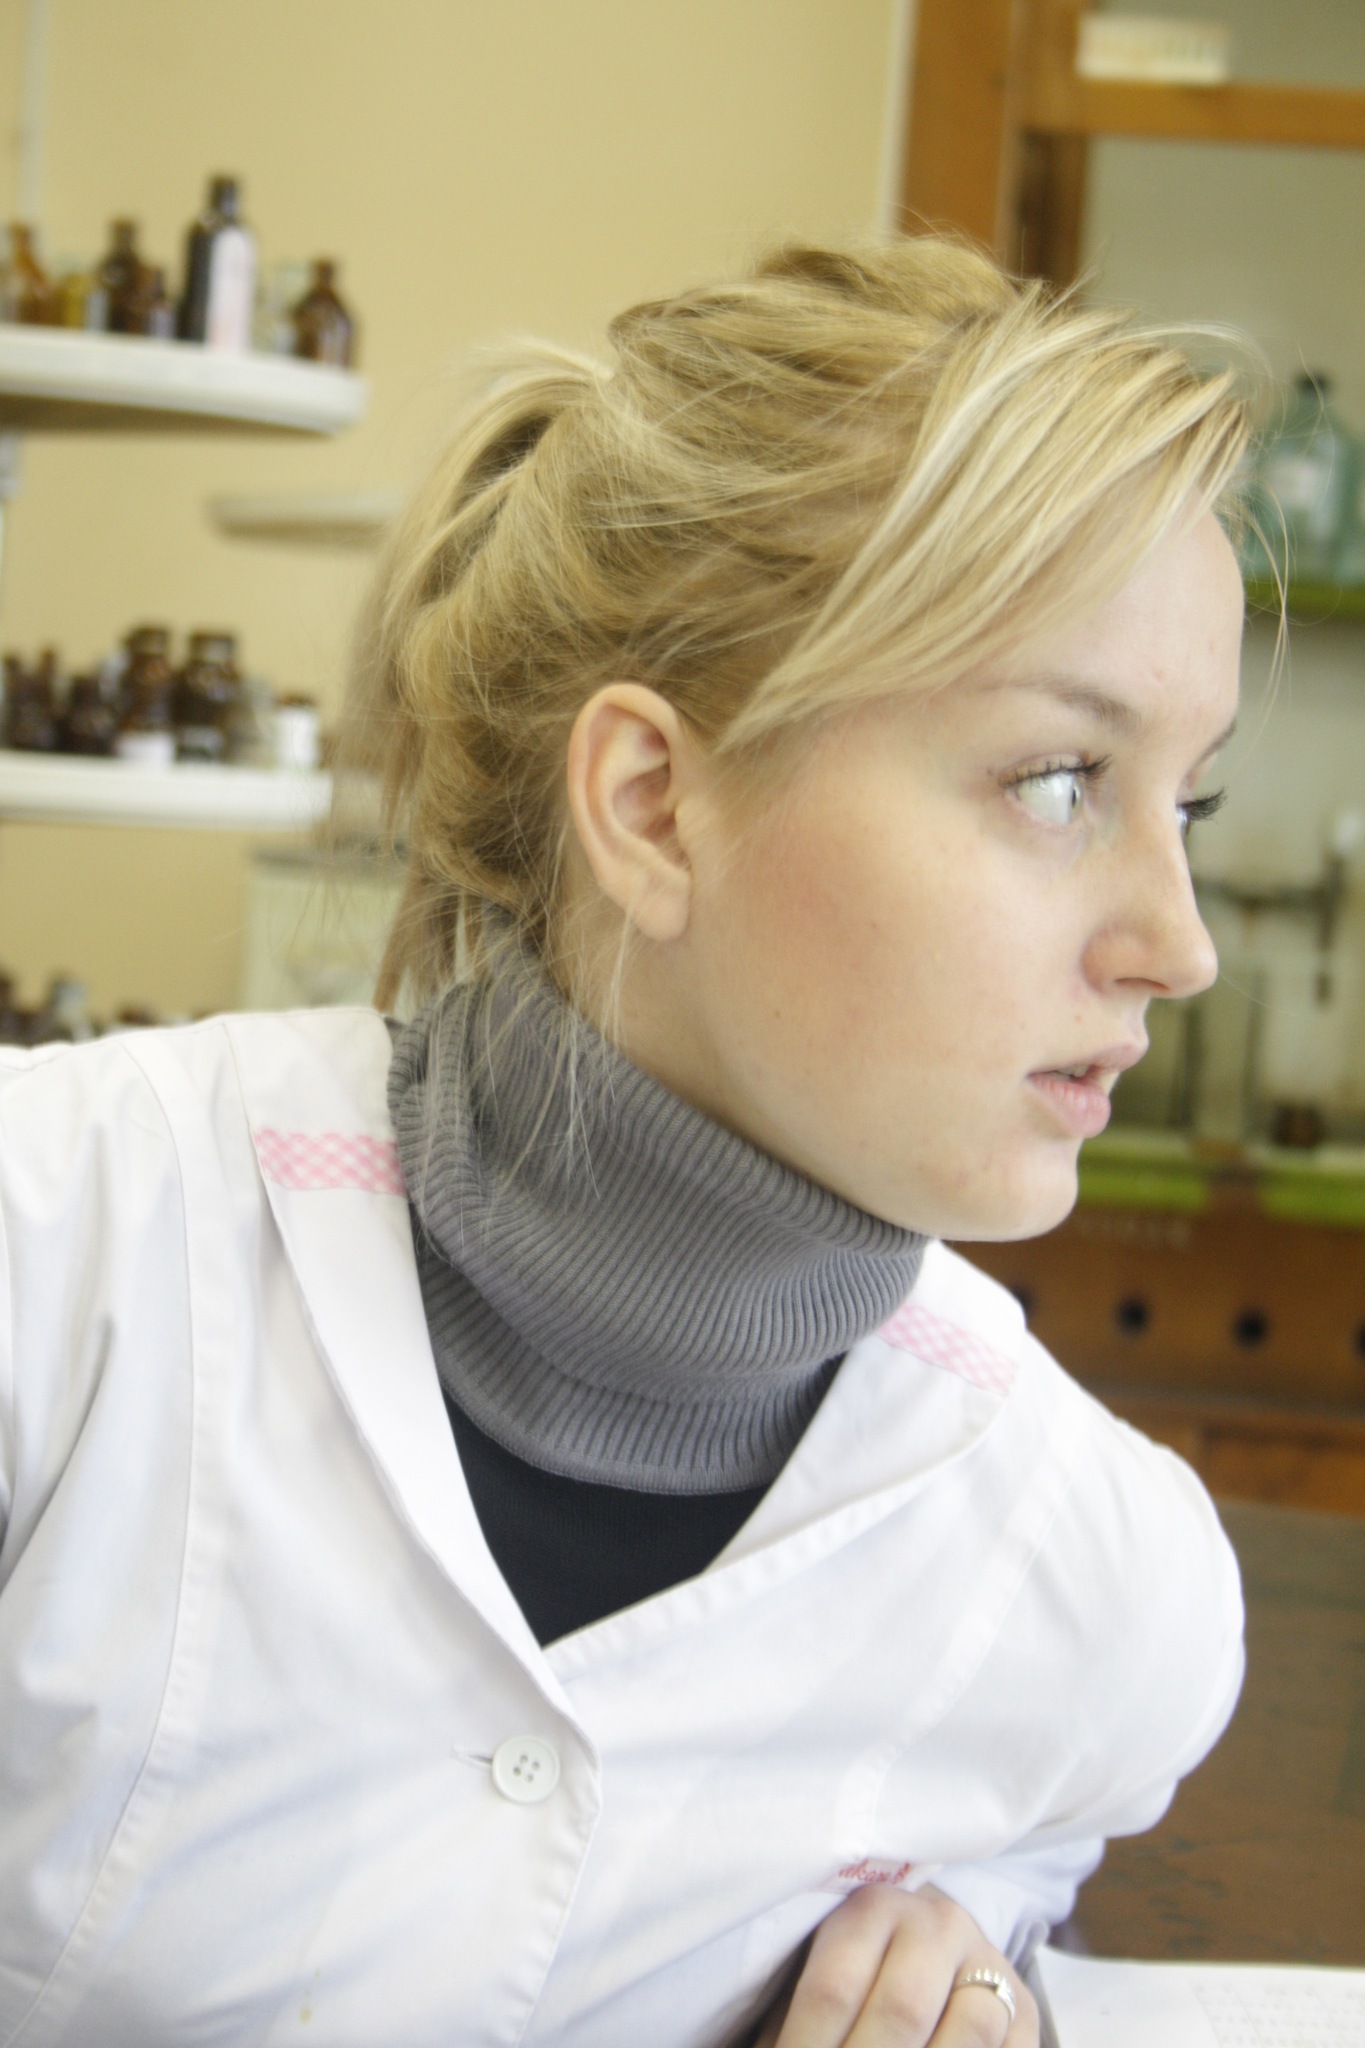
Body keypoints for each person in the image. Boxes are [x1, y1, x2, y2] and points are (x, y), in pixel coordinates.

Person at [0, 238, 1249, 2048]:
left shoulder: (1100, 1587)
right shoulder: (58, 1261)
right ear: (653, 805)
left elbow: (1027, 1874)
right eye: (1058, 781)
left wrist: (970, 1971)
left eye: (1188, 803)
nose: (1178, 943)